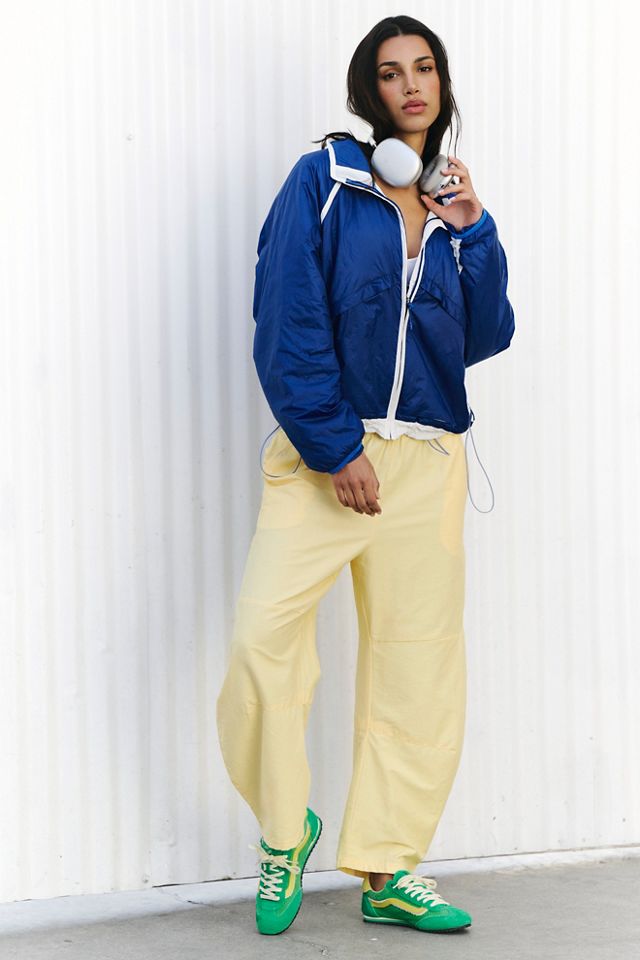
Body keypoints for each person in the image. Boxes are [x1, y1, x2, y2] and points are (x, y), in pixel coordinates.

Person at [216, 13, 515, 938]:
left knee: (416, 666)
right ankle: (284, 831)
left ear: (442, 84)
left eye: (425, 68)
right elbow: (287, 315)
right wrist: (334, 446)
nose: (411, 85)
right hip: (327, 459)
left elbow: (484, 337)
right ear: (368, 91)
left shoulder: (450, 202)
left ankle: (389, 868)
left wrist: (473, 232)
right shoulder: (325, 181)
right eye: (391, 72)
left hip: (427, 459)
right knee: (262, 642)